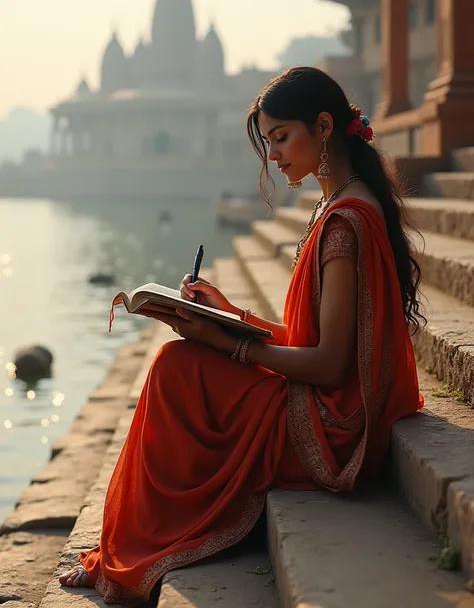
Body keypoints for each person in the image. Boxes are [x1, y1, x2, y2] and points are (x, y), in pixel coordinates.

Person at [59, 67, 424, 605]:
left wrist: (228, 344)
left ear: (324, 127)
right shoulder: (339, 204)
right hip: (325, 400)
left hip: (332, 427)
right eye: (268, 142)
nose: (273, 156)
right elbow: (315, 339)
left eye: (281, 138)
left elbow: (326, 366)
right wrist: (231, 315)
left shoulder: (346, 220)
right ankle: (145, 532)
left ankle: (145, 539)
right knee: (180, 364)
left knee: (176, 371)